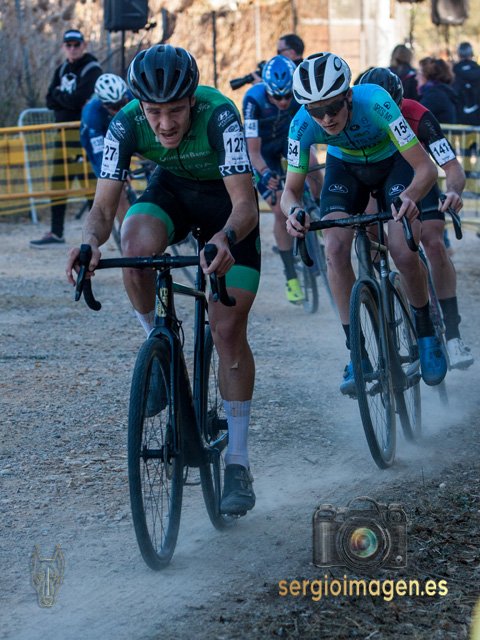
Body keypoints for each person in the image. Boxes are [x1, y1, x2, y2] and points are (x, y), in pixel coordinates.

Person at [66, 45, 260, 517]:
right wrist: (89, 242)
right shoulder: (123, 124)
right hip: (172, 190)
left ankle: (237, 461)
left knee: (227, 330)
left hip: (226, 208)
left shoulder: (220, 115)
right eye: (154, 112)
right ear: (140, 106)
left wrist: (225, 237)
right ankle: (158, 348)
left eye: (175, 110)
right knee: (134, 253)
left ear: (192, 100)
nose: (166, 124)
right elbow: (103, 209)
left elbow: (245, 204)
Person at [281, 52, 446, 394]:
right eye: (316, 111)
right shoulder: (301, 124)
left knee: (402, 250)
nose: (326, 118)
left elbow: (426, 169)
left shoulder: (376, 103)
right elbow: (290, 192)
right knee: (334, 249)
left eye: (333, 107)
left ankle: (426, 331)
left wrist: (410, 196)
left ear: (348, 96)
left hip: (394, 166)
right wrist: (294, 212)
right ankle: (357, 353)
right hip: (345, 170)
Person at [359, 67, 473, 369]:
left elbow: (452, 166)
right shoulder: (354, 117)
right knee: (368, 237)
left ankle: (453, 335)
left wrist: (453, 191)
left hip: (416, 179)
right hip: (377, 179)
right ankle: (387, 303)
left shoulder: (418, 115)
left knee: (434, 243)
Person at [243, 55, 322, 305]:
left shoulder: (299, 95)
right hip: (263, 152)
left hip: (289, 141)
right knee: (279, 209)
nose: (284, 101)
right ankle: (291, 277)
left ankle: (320, 208)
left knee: (314, 165)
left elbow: (309, 133)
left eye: (288, 96)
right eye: (277, 97)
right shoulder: (253, 100)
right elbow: (253, 152)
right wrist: (265, 172)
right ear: (267, 89)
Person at [30, 29, 102, 248]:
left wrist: (61, 96)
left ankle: (98, 234)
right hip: (61, 136)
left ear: (84, 45)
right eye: (68, 45)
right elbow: (49, 100)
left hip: (83, 137)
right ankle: (56, 232)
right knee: (58, 184)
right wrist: (65, 99)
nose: (72, 49)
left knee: (90, 187)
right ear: (63, 47)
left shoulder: (92, 69)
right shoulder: (61, 69)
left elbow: (78, 99)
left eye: (76, 44)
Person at [80, 73, 133, 226]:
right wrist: (116, 173)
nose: (122, 109)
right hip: (100, 142)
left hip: (123, 132)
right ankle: (127, 232)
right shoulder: (92, 114)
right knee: (117, 188)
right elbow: (100, 154)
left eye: (123, 103)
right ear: (104, 105)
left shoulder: (131, 97)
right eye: (115, 107)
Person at [417, 57, 457, 125]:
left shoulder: (434, 95)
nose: (416, 77)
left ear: (428, 75)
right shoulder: (441, 91)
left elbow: (416, 116)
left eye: (419, 74)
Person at [452, 42, 480, 126]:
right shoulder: (477, 70)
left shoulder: (453, 72)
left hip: (459, 118)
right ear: (471, 54)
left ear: (459, 54)